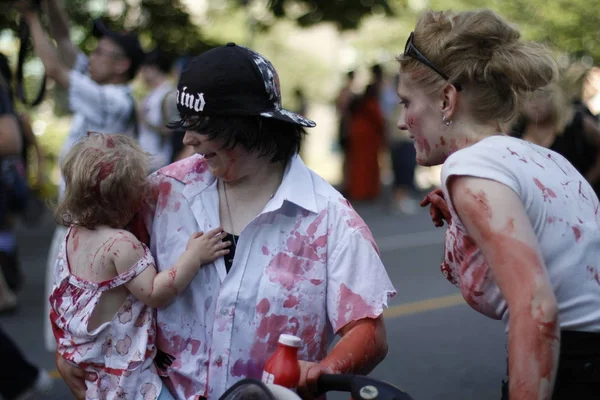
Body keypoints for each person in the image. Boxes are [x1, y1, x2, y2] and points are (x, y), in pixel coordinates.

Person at [55, 42, 396, 400]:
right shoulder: (160, 193)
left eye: (200, 127)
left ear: (247, 126)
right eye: (185, 126)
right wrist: (68, 344)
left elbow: (368, 330)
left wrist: (327, 369)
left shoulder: (330, 218)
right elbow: (88, 263)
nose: (186, 139)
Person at [401, 9, 600, 399]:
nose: (401, 121)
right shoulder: (545, 160)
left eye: (407, 102)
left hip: (572, 371)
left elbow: (536, 309)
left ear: (446, 98)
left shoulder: (471, 167)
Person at [50, 133, 231, 400]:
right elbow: (156, 292)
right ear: (128, 199)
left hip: (91, 368)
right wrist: (194, 256)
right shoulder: (121, 246)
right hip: (125, 379)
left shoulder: (73, 237)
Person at [14, 0, 145, 352]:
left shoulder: (112, 99)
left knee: (73, 323)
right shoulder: (104, 89)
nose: (93, 57)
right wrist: (51, 7)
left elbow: (56, 69)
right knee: (69, 319)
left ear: (121, 65)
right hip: (84, 227)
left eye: (102, 53)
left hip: (89, 231)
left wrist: (29, 16)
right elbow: (66, 44)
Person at [511, 82, 600, 197]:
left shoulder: (576, 123)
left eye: (540, 97)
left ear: (553, 98)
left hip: (586, 198)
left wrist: (587, 182)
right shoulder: (516, 133)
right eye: (528, 99)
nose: (535, 104)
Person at [345, 70, 385, 201]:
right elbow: (380, 121)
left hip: (358, 137)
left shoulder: (360, 104)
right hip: (368, 139)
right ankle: (365, 191)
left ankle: (358, 191)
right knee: (367, 167)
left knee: (357, 165)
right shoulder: (372, 104)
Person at [138, 49, 179, 173]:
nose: (142, 73)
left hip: (159, 161)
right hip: (145, 159)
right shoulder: (152, 94)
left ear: (154, 69)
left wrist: (144, 120)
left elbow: (173, 130)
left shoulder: (169, 95)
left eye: (145, 68)